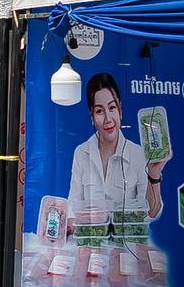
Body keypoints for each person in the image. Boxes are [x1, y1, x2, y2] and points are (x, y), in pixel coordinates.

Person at [66, 72, 164, 233]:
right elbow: (74, 203)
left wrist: (154, 175)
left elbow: (151, 212)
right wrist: (67, 223)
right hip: (91, 245)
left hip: (128, 248)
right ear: (92, 116)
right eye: (99, 111)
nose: (108, 119)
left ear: (120, 110)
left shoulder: (138, 154)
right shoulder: (82, 152)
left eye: (112, 108)